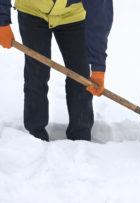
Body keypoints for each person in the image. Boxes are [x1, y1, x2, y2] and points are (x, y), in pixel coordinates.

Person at [0, 0, 113, 141]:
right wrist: (2, 21)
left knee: (80, 77)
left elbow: (99, 14)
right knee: (37, 73)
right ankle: (35, 136)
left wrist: (98, 68)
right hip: (32, 11)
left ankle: (80, 136)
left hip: (72, 15)